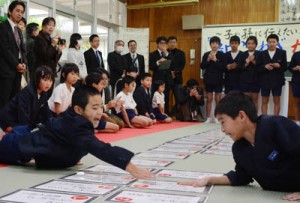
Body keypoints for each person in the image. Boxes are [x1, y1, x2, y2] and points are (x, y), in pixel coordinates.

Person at [0, 85, 155, 181]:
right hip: (21, 143)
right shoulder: (77, 126)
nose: (99, 112)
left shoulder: (77, 119)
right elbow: (100, 148)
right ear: (78, 110)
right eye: (94, 108)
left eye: (100, 107)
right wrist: (129, 166)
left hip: (35, 135)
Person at [179, 92, 300, 200]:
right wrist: (208, 180)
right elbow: (241, 177)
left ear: (241, 116)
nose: (222, 129)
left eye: (223, 122)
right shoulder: (239, 148)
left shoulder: (275, 125)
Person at [0, 66, 54, 133]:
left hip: (23, 121)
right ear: (37, 79)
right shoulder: (27, 92)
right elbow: (23, 115)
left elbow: (46, 111)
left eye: (51, 80)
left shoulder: (44, 94)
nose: (48, 83)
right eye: (45, 80)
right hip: (9, 120)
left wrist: (53, 123)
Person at [0, 0, 26, 109]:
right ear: (10, 11)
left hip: (18, 71)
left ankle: (9, 123)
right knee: (3, 100)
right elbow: (4, 49)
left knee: (14, 100)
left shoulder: (18, 30)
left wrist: (23, 63)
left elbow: (21, 50)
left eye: (22, 12)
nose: (20, 14)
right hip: (6, 71)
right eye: (17, 11)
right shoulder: (2, 27)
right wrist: (16, 64)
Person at [259, 34, 287, 115]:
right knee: (264, 101)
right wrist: (265, 66)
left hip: (277, 81)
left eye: (273, 42)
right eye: (269, 42)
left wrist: (279, 66)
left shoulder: (282, 53)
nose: (271, 44)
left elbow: (285, 67)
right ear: (267, 42)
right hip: (264, 81)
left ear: (277, 42)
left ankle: (276, 120)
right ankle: (264, 119)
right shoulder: (262, 54)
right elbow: (258, 68)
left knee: (277, 100)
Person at [201, 36, 226, 123]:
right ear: (210, 44)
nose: (214, 45)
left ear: (219, 45)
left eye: (216, 43)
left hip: (218, 79)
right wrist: (208, 59)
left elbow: (223, 67)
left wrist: (215, 60)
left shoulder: (222, 54)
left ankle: (217, 117)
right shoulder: (206, 54)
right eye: (212, 43)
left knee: (218, 99)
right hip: (208, 79)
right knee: (209, 99)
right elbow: (202, 66)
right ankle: (208, 118)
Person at [149, 36, 173, 115]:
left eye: (165, 43)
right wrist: (158, 62)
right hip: (157, 78)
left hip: (167, 78)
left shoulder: (169, 54)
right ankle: (155, 112)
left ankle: (166, 112)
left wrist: (166, 52)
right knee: (156, 96)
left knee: (166, 96)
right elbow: (151, 67)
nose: (163, 45)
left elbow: (172, 64)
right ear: (157, 44)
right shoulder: (153, 54)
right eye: (161, 43)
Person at [239, 36, 261, 110]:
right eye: (249, 43)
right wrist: (247, 62)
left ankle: (255, 118)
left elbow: (261, 68)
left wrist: (253, 61)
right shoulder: (242, 54)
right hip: (244, 81)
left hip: (256, 80)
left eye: (252, 43)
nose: (250, 45)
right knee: (245, 101)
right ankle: (246, 118)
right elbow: (239, 68)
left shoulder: (259, 54)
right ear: (246, 45)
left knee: (255, 100)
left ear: (255, 45)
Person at [167, 36, 186, 110]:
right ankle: (167, 112)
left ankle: (179, 113)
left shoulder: (181, 53)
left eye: (174, 42)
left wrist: (174, 72)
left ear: (176, 43)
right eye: (171, 42)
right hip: (167, 78)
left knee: (178, 97)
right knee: (166, 97)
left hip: (177, 78)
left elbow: (182, 65)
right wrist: (169, 72)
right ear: (168, 43)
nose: (172, 44)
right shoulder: (165, 52)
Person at [288, 51, 300, 126]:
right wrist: (295, 68)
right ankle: (297, 122)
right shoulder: (296, 54)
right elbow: (290, 67)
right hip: (297, 82)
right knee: (296, 103)